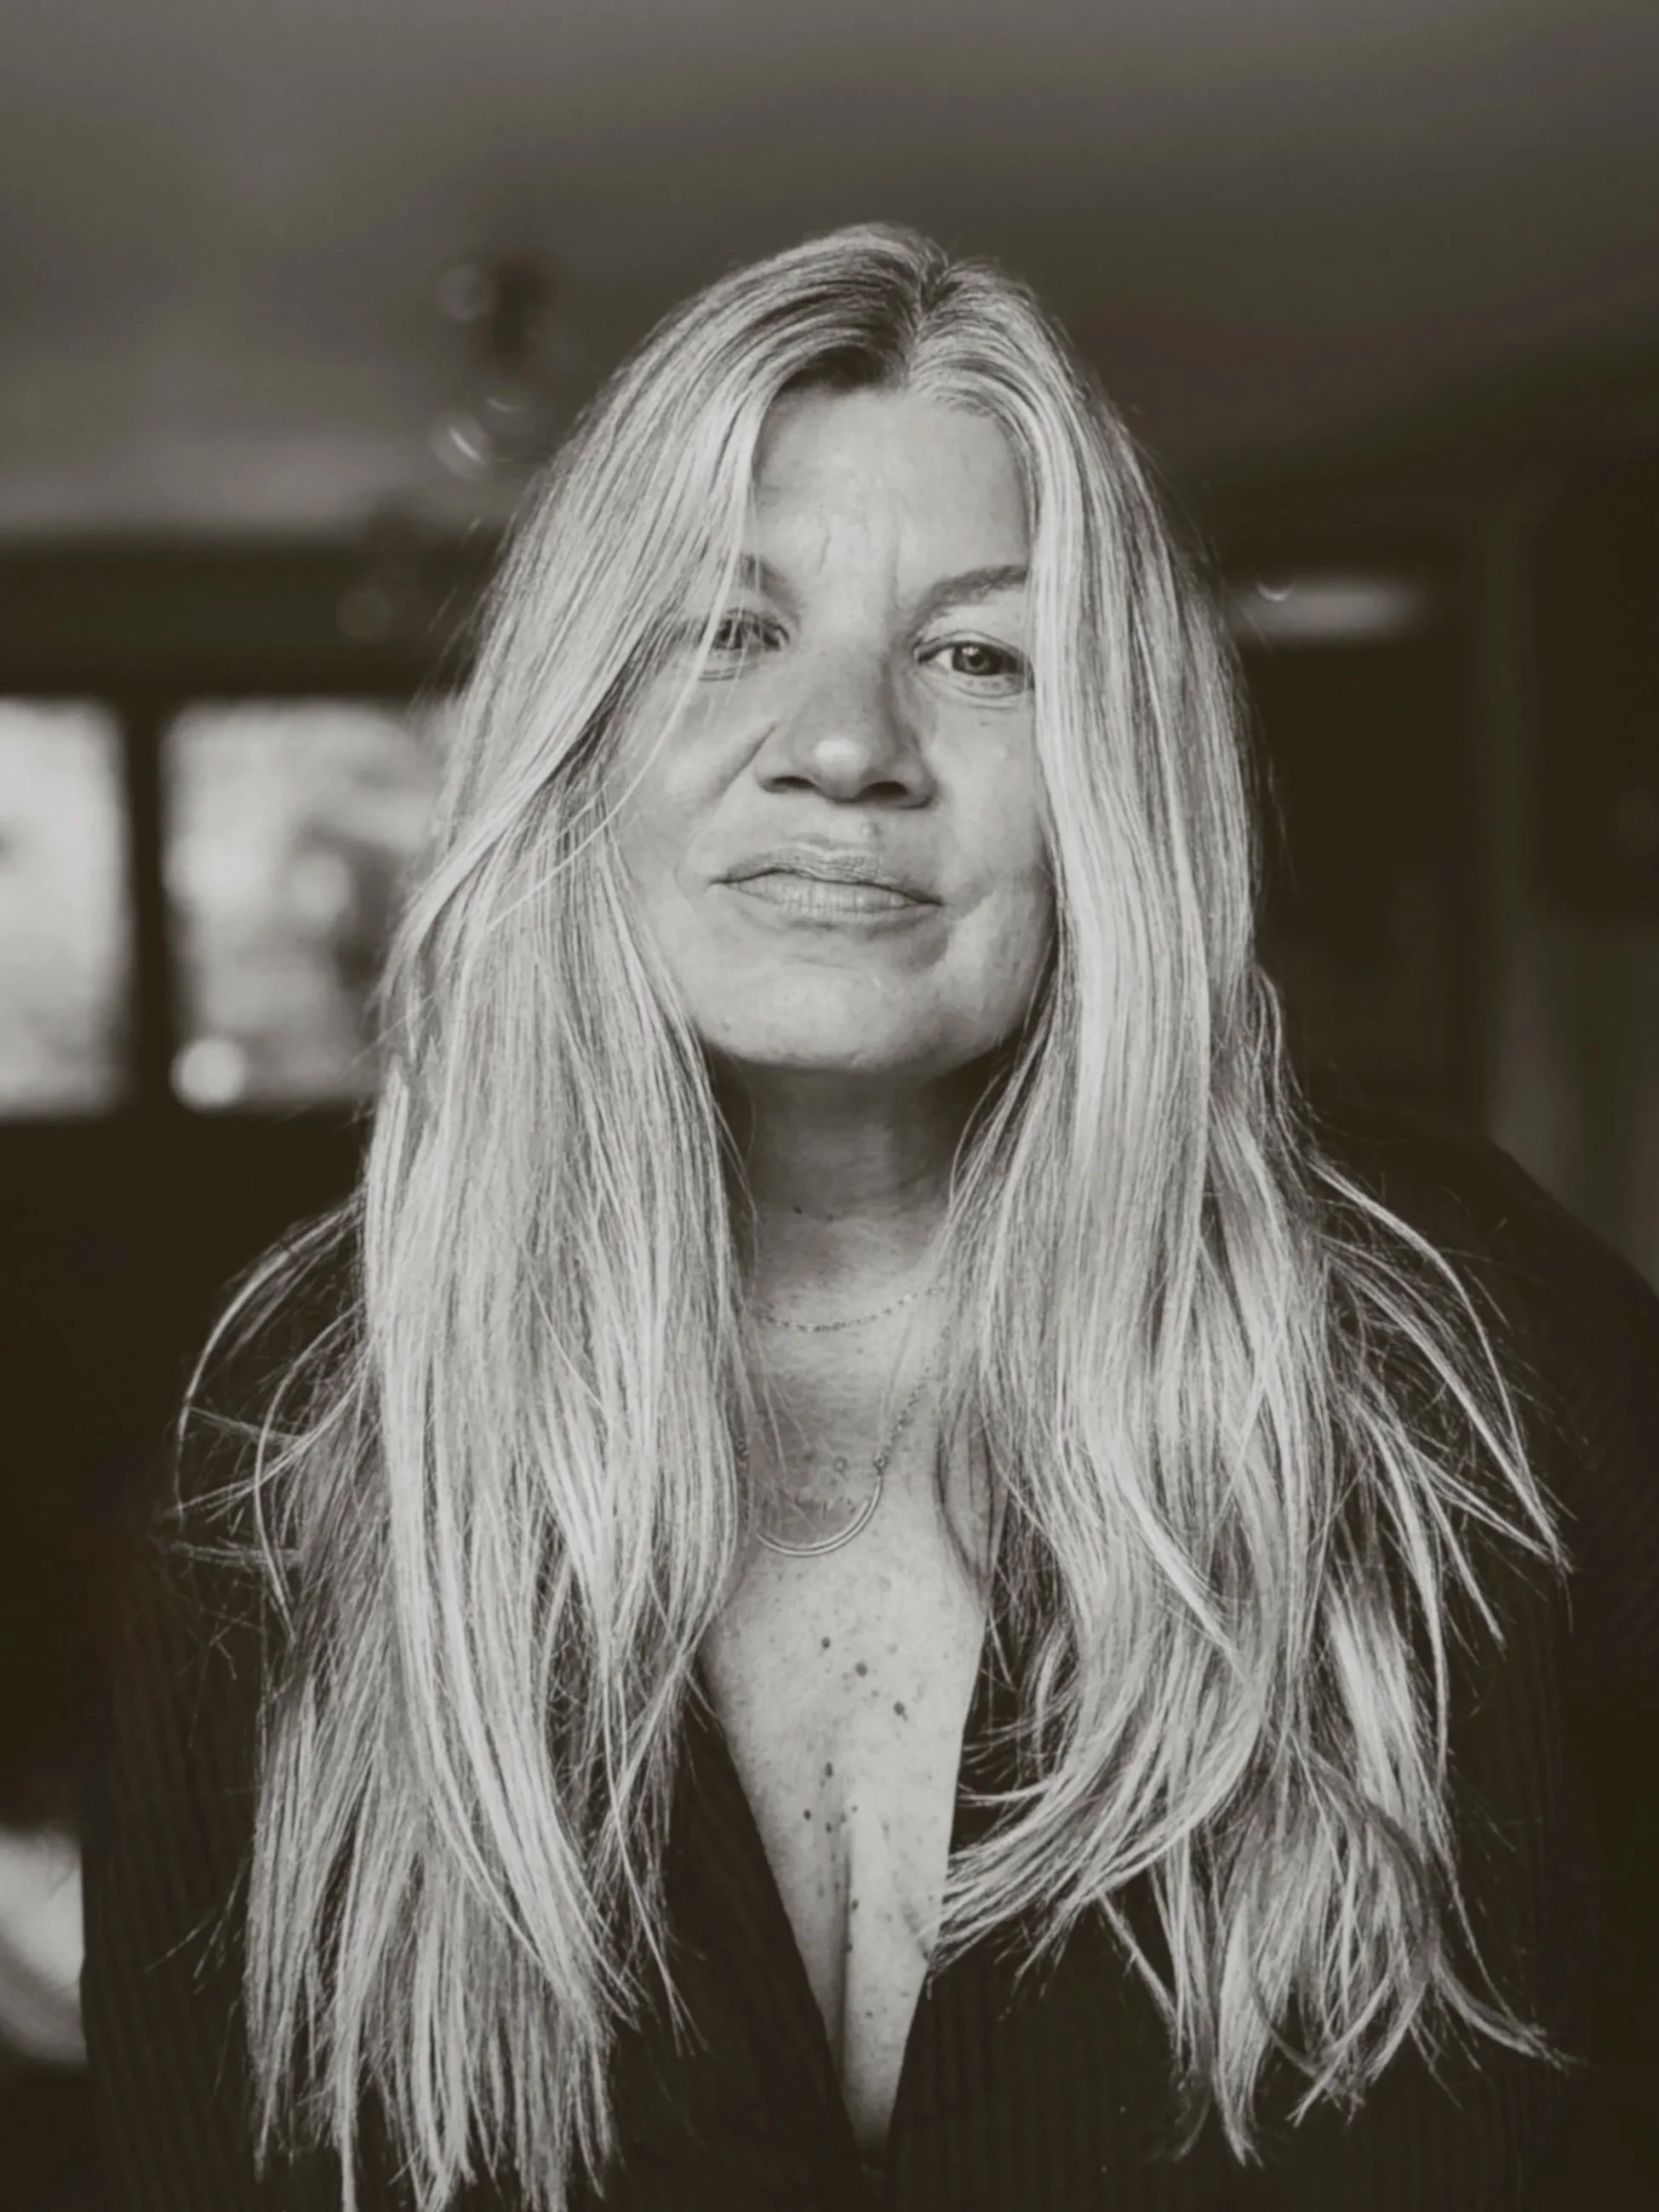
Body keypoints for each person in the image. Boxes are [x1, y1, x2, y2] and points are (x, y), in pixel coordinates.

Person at [82, 226, 1658, 2211]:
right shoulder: (300, 1444)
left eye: (978, 655)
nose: (842, 747)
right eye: (726, 630)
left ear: (1108, 776)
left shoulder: (1464, 1354)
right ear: (573, 737)